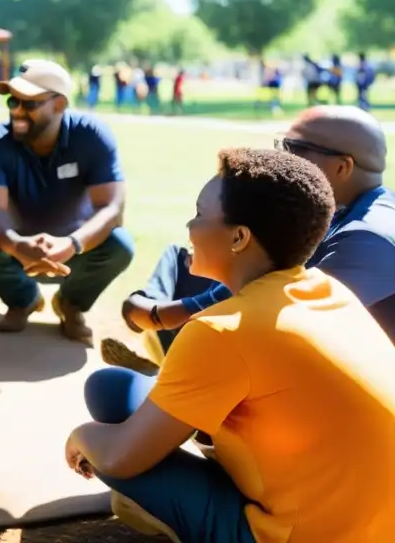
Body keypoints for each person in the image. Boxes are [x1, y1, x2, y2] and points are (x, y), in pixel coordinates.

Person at [67, 148, 395, 543]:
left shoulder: (221, 330)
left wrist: (81, 436)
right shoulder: (327, 290)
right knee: (110, 389)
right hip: (374, 524)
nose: (189, 225)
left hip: (299, 534)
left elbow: (121, 457)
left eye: (200, 215)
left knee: (112, 446)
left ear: (239, 237)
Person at [104, 104, 395, 373]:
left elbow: (275, 307)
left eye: (294, 147)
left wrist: (165, 315)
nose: (282, 157)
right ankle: (165, 359)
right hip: (298, 355)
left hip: (324, 385)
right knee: (180, 260)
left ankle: (163, 375)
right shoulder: (348, 208)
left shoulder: (366, 238)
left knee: (108, 391)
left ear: (342, 167)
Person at [0, 59, 134, 343]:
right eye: (12, 101)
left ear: (60, 105)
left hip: (77, 248)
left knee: (120, 246)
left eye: (29, 104)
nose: (17, 111)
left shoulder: (91, 136)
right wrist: (17, 244)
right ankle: (24, 298)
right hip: (16, 247)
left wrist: (72, 243)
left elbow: (112, 208)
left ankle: (71, 304)